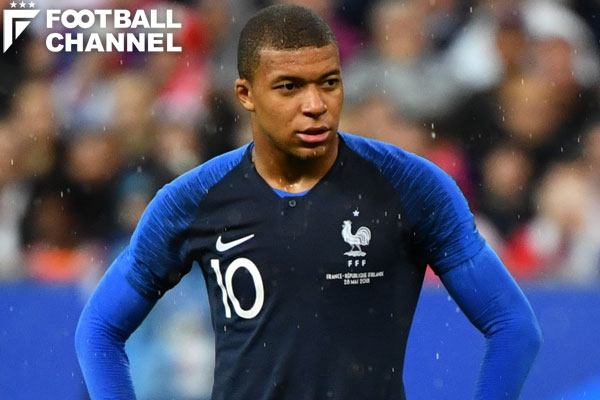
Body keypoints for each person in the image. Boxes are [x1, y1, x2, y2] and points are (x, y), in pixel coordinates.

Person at [75, 4, 542, 400]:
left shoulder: (411, 186)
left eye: (329, 82)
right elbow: (98, 331)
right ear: (246, 94)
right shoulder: (193, 199)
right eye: (290, 86)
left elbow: (513, 326)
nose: (316, 104)